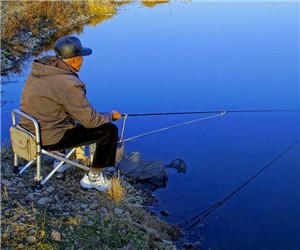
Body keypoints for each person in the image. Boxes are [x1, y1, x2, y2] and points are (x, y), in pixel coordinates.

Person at [20, 35, 122, 191]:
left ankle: (60, 160)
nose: (83, 60)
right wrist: (110, 116)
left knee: (66, 116)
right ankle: (93, 178)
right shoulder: (68, 84)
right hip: (48, 138)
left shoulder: (42, 70)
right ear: (75, 59)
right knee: (109, 130)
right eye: (81, 56)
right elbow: (91, 121)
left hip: (28, 129)